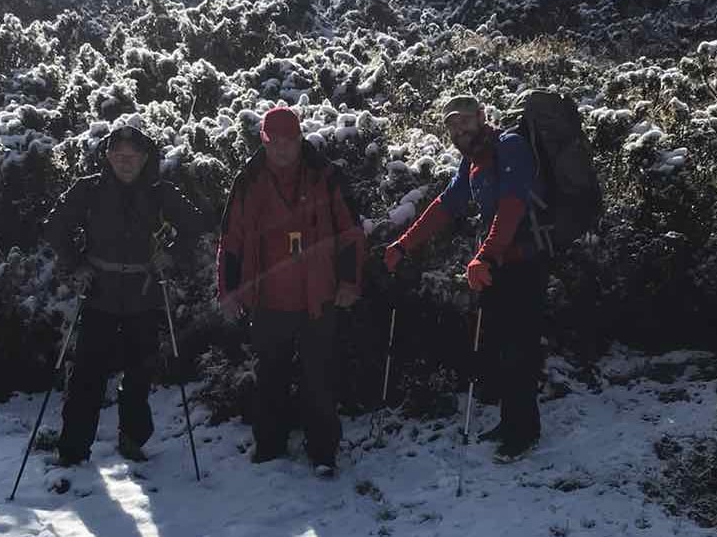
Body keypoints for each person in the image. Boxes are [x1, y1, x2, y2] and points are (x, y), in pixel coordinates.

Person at [383, 94, 548, 462]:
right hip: (497, 263)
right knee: (501, 343)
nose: (458, 130)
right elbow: (445, 205)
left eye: (465, 121)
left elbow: (511, 207)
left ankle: (523, 433)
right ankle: (512, 422)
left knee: (518, 346)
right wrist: (403, 244)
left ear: (482, 117)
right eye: (451, 125)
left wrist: (485, 256)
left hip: (523, 262)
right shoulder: (471, 162)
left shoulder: (511, 147)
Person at [43, 123, 207, 466]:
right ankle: (73, 450)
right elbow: (55, 226)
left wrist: (172, 255)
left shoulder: (161, 193)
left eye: (132, 156)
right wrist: (76, 264)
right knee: (86, 375)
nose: (125, 162)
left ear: (145, 158)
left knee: (139, 374)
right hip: (99, 294)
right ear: (107, 156)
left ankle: (132, 439)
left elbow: (193, 226)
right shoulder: (89, 190)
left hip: (143, 295)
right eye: (118, 155)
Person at [216, 107, 364, 477]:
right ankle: (269, 447)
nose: (282, 149)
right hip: (267, 301)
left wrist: (350, 282)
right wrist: (228, 291)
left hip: (319, 297)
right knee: (270, 377)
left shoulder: (327, 175)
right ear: (264, 141)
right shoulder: (247, 180)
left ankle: (323, 453)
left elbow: (351, 233)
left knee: (320, 377)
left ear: (300, 138)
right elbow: (230, 240)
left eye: (289, 141)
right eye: (274, 142)